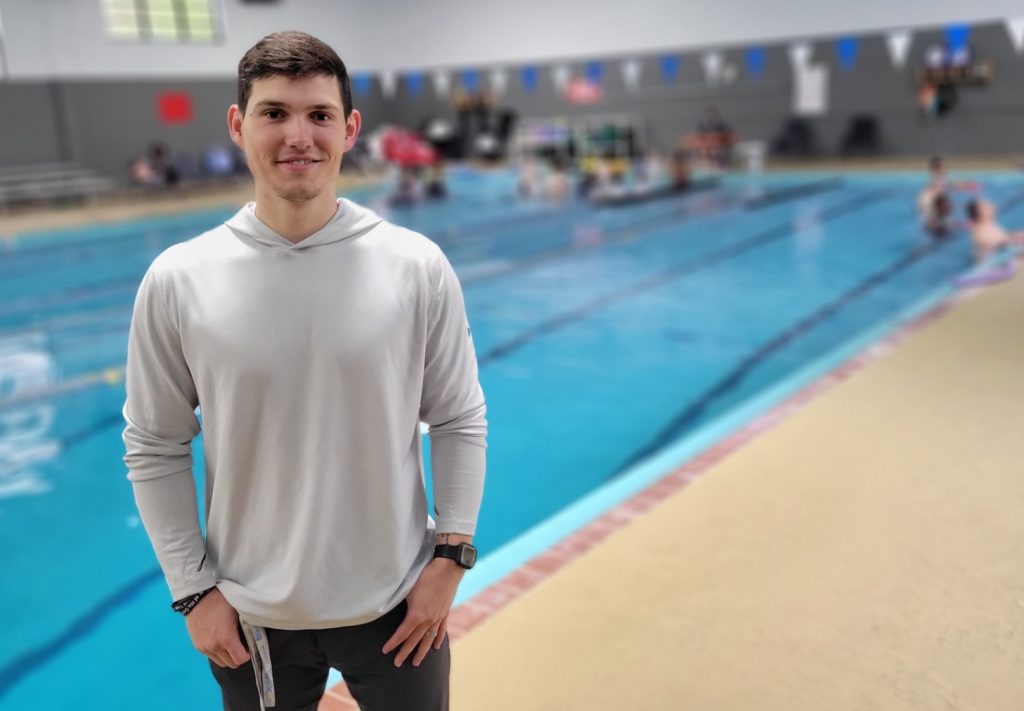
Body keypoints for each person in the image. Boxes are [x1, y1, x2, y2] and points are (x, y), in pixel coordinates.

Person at [122, 31, 487, 711]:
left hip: (399, 605)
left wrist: (450, 557)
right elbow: (154, 443)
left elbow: (459, 416)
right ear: (239, 124)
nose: (299, 135)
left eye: (319, 114)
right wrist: (192, 590)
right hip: (252, 615)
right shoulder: (178, 278)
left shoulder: (415, 265)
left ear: (349, 129)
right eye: (274, 112)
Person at [965, 197, 1024, 263]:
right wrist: (1015, 237)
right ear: (982, 213)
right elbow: (997, 244)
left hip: (1001, 255)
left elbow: (1004, 240)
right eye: (987, 206)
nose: (992, 205)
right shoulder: (979, 232)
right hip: (992, 263)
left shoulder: (989, 224)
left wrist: (1016, 236)